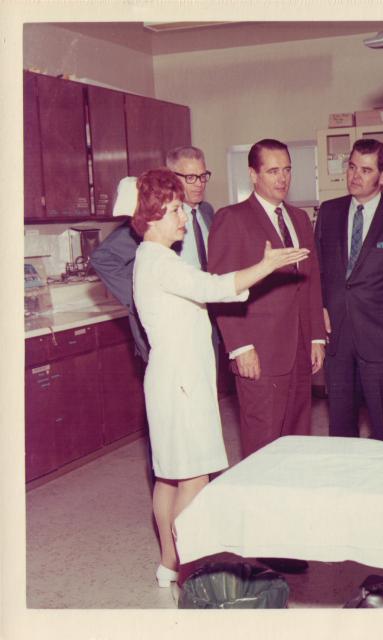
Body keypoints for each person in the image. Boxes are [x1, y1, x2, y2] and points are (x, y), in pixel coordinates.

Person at [131, 168, 309, 588]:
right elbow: (215, 287)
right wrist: (264, 266)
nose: (183, 217)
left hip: (170, 378)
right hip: (182, 382)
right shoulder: (162, 263)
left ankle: (169, 563)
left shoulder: (149, 258)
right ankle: (186, 567)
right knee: (194, 476)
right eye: (175, 210)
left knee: (169, 475)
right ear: (154, 216)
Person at [207, 139, 327, 458]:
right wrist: (240, 347)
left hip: (299, 349)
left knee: (298, 439)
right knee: (263, 442)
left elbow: (310, 282)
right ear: (253, 174)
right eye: (273, 171)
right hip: (259, 351)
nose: (282, 178)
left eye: (287, 169)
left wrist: (316, 337)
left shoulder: (299, 219)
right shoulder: (232, 218)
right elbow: (221, 290)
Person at [315, 139, 383, 441]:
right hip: (338, 339)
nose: (354, 176)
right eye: (351, 167)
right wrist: (318, 310)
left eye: (366, 169)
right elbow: (319, 272)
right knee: (341, 430)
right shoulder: (330, 212)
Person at [90, 146, 216, 362]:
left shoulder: (206, 211)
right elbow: (103, 258)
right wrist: (137, 294)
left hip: (203, 321)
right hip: (167, 328)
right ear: (171, 178)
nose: (199, 184)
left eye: (203, 176)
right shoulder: (154, 218)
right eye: (191, 177)